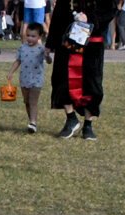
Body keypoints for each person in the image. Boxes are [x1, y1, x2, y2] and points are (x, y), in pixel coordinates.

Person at [48, 0, 113, 139]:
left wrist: (89, 19)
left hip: (92, 44)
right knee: (61, 79)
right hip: (68, 41)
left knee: (92, 84)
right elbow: (58, 14)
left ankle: (88, 125)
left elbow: (110, 11)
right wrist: (50, 43)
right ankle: (71, 118)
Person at [7, 23, 48, 133]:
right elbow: (18, 61)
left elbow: (48, 61)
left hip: (36, 80)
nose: (30, 38)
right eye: (28, 35)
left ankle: (33, 122)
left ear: (39, 37)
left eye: (33, 36)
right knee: (26, 102)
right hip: (24, 79)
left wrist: (47, 56)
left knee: (33, 101)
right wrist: (11, 72)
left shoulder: (41, 49)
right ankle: (31, 121)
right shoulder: (22, 48)